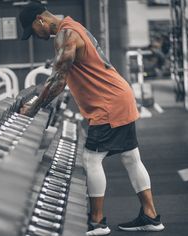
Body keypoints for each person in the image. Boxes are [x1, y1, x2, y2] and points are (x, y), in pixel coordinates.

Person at [19, 1, 165, 235]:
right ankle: (150, 215)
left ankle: (97, 222)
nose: (35, 36)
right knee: (130, 158)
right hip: (119, 96)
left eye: (33, 31)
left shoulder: (67, 35)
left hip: (108, 104)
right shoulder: (72, 26)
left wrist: (33, 107)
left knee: (91, 160)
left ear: (40, 20)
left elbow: (58, 80)